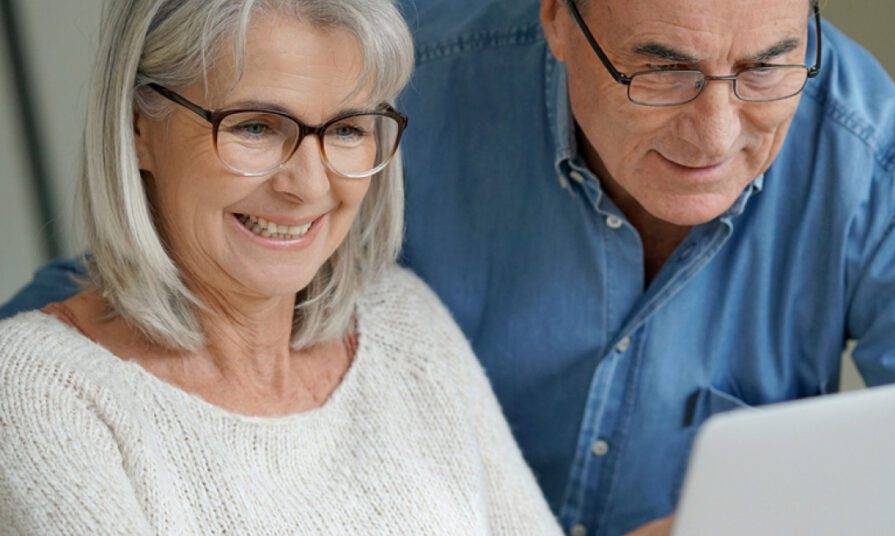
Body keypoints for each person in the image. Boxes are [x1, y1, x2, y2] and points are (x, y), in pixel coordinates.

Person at [4, 0, 895, 534]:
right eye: (658, 65)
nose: (716, 131)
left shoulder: (399, 321)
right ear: (556, 21)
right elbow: (121, 314)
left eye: (766, 63)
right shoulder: (420, 87)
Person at [0, 0, 562, 533]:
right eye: (255, 127)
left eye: (347, 130)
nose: (309, 185)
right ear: (137, 129)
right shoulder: (35, 390)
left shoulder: (404, 320)